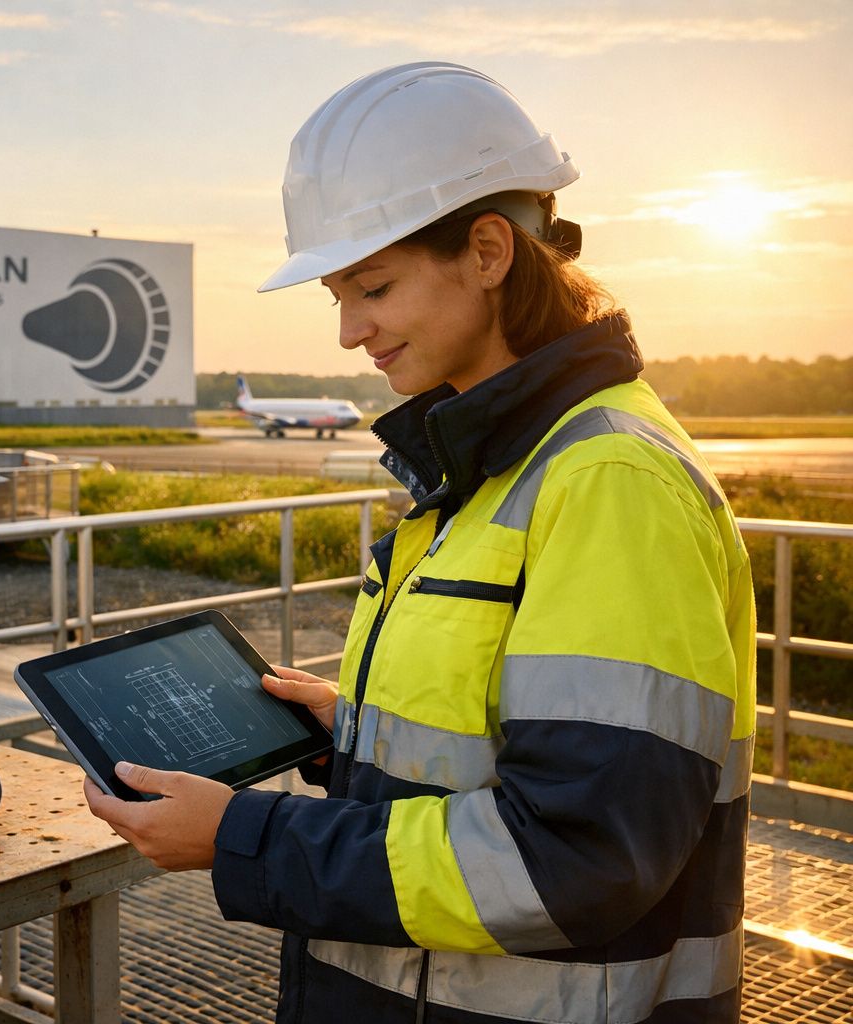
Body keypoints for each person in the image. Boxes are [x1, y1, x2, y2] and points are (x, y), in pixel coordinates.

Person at [84, 62, 755, 1022]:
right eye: (338, 296)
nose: (352, 331)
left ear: (488, 251)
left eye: (375, 287)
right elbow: (500, 742)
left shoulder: (610, 483)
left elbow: (577, 860)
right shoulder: (488, 463)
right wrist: (346, 737)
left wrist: (248, 838)